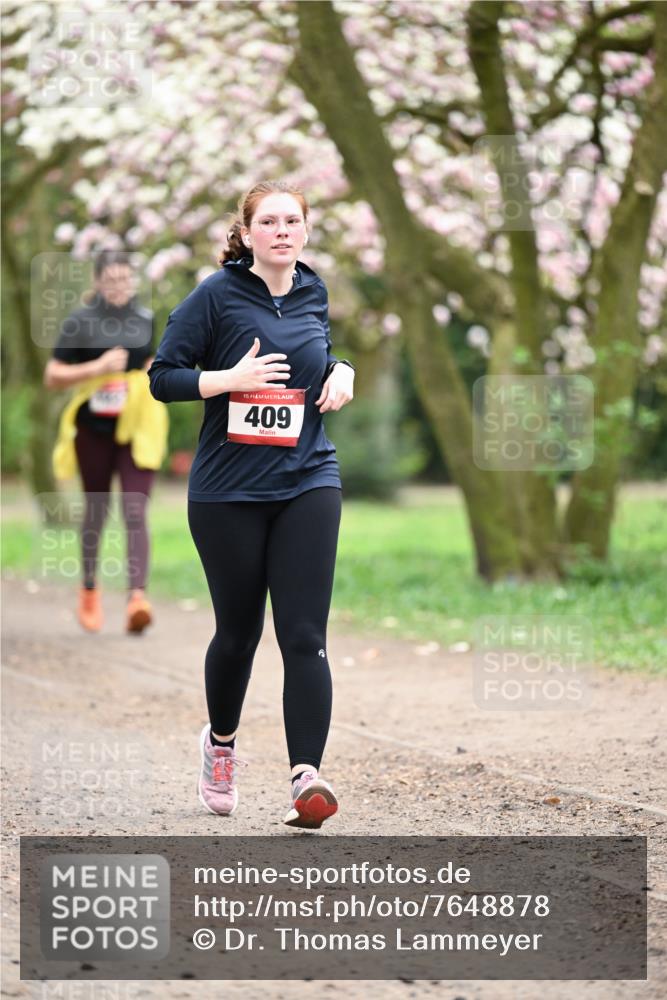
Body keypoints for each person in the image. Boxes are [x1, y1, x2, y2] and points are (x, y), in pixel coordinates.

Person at [148, 180, 355, 829]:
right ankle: (221, 744)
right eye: (269, 221)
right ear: (246, 232)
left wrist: (340, 369)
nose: (282, 231)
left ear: (305, 229)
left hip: (307, 479)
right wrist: (226, 380)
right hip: (227, 492)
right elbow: (162, 377)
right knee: (238, 635)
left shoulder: (313, 290)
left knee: (303, 634)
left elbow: (314, 356)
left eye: (293, 220)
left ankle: (306, 779)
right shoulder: (214, 297)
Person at [45, 250, 168, 634]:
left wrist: (150, 371)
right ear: (98, 282)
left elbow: (151, 362)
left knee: (135, 508)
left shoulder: (145, 319)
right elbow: (53, 375)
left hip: (137, 426)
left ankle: (137, 599)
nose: (119, 287)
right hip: (93, 430)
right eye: (111, 280)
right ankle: (89, 590)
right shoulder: (80, 322)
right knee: (96, 512)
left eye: (125, 280)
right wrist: (97, 369)